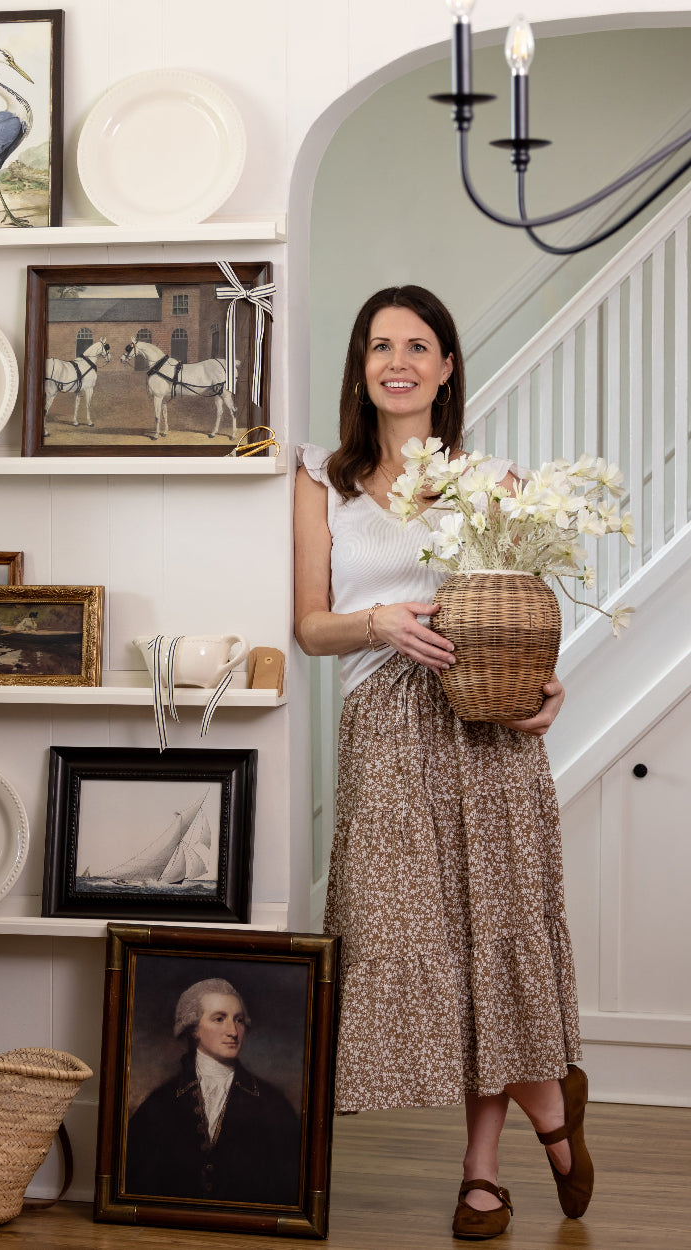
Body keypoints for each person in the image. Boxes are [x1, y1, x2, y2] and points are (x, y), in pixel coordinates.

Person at [293, 286, 594, 1241]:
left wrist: (551, 686)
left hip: (485, 720)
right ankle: (552, 1103)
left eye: (419, 346)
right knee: (407, 933)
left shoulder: (491, 480)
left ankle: (482, 1171)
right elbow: (307, 626)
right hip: (384, 724)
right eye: (380, 344)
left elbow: (526, 612)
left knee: (493, 926)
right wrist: (375, 620)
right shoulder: (318, 481)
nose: (399, 361)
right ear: (360, 366)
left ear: (447, 367)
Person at [124, 977, 302, 1206]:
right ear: (193, 1029)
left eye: (238, 1020)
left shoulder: (273, 1104)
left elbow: (287, 1187)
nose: (233, 1031)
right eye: (219, 1019)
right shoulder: (159, 1104)